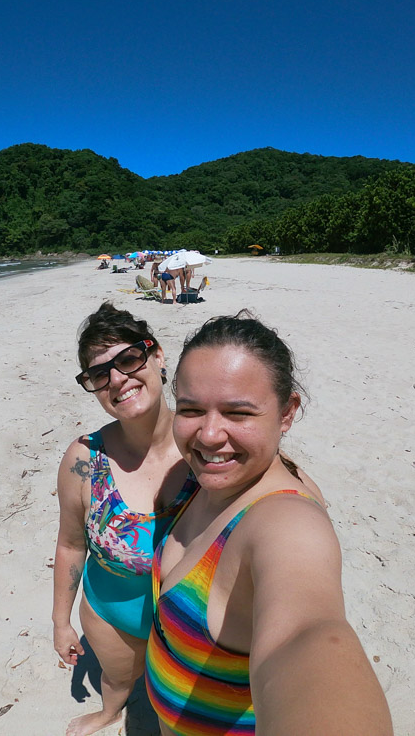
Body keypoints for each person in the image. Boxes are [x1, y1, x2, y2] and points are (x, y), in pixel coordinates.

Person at [146, 312, 393, 735]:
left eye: (237, 413)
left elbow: (307, 636)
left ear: (287, 412)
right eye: (190, 409)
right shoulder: (197, 479)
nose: (208, 435)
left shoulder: (288, 523)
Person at [53, 303, 199, 736]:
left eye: (129, 359)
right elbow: (70, 544)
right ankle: (109, 712)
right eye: (100, 374)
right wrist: (61, 623)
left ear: (157, 357)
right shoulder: (84, 458)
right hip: (112, 612)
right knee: (118, 680)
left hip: (193, 618)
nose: (117, 379)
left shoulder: (206, 441)